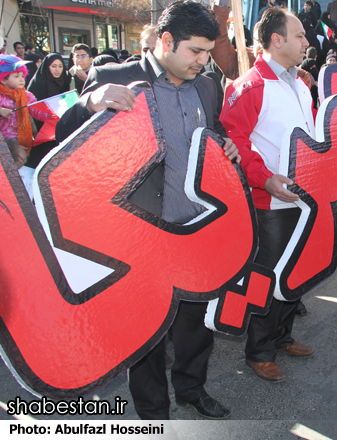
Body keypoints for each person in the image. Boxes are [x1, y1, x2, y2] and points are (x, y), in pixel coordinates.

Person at [56, 0, 238, 420]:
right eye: (195, 51)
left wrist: (225, 146)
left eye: (208, 52)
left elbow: (215, 132)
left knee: (196, 325)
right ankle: (154, 412)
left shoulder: (208, 85)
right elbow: (63, 143)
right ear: (166, 40)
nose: (203, 60)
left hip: (196, 227)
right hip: (140, 234)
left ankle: (193, 388)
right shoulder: (114, 77)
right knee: (148, 334)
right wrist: (89, 102)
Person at [220, 7, 315, 383]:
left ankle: (282, 336)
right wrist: (263, 179)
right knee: (268, 277)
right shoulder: (249, 86)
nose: (307, 42)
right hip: (269, 203)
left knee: (296, 271)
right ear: (277, 40)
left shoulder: (302, 83)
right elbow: (234, 142)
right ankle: (259, 351)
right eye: (300, 35)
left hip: (305, 198)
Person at [0, 55, 50, 168]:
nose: (22, 79)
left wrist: (52, 114)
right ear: (3, 79)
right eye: (16, 76)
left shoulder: (26, 96)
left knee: (21, 164)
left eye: (22, 75)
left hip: (23, 139)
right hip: (4, 142)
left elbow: (37, 110)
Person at [25, 53, 71, 168]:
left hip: (59, 126)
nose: (57, 70)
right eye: (53, 66)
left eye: (60, 66)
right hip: (43, 129)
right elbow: (33, 108)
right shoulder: (39, 83)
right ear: (47, 67)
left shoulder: (64, 81)